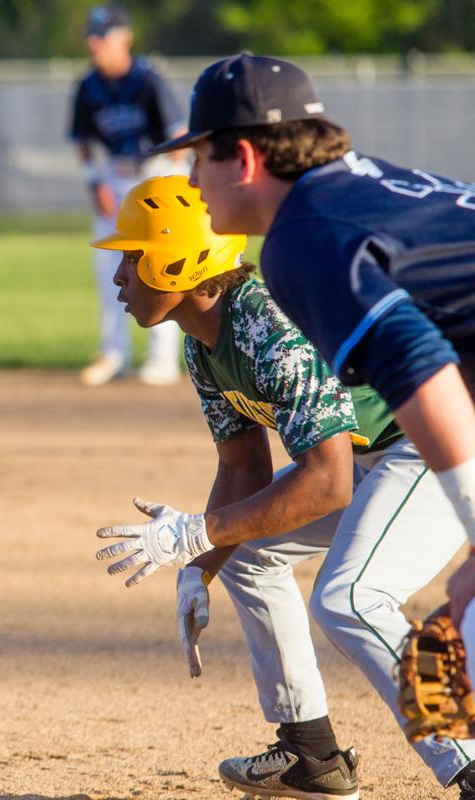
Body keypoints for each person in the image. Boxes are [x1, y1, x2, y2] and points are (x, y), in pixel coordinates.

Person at [92, 175, 475, 798]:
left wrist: (193, 533)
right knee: (248, 549)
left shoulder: (272, 328)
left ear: (174, 261)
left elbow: (328, 484)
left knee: (351, 597)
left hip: (434, 441)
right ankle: (311, 754)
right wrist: (202, 564)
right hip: (376, 454)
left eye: (131, 258)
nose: (118, 277)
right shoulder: (204, 344)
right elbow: (244, 471)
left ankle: (468, 757)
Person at [141, 55, 475, 729]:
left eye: (198, 159)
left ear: (242, 157)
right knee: (454, 617)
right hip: (412, 439)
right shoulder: (352, 192)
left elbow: (424, 373)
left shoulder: (305, 239)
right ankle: (313, 751)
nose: (191, 182)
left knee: (353, 597)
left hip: (408, 446)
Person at [69, 4, 186, 386]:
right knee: (107, 266)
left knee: (162, 266)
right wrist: (94, 182)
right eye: (92, 35)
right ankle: (114, 353)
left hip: (157, 175)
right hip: (115, 179)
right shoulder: (88, 86)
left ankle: (162, 357)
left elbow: (179, 138)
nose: (94, 43)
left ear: (125, 38)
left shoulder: (148, 79)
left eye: (102, 36)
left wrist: (165, 185)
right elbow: (83, 141)